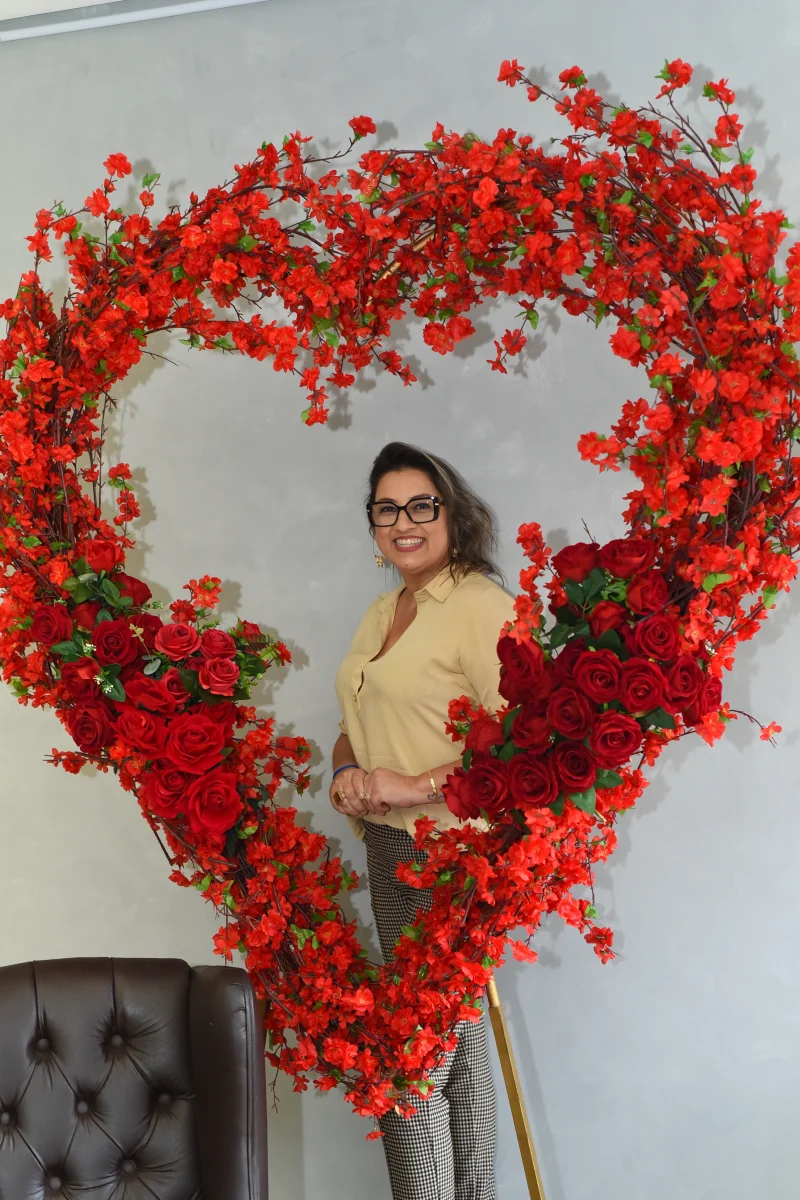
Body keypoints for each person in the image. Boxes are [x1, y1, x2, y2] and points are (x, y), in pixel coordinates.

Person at [331, 440, 514, 1200]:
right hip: (389, 851)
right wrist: (346, 772)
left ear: (451, 513)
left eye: (420, 506)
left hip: (453, 857)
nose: (403, 523)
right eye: (387, 509)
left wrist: (414, 786)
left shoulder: (479, 604)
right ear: (372, 523)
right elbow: (357, 721)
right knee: (454, 1056)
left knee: (409, 1064)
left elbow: (519, 738)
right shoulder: (384, 611)